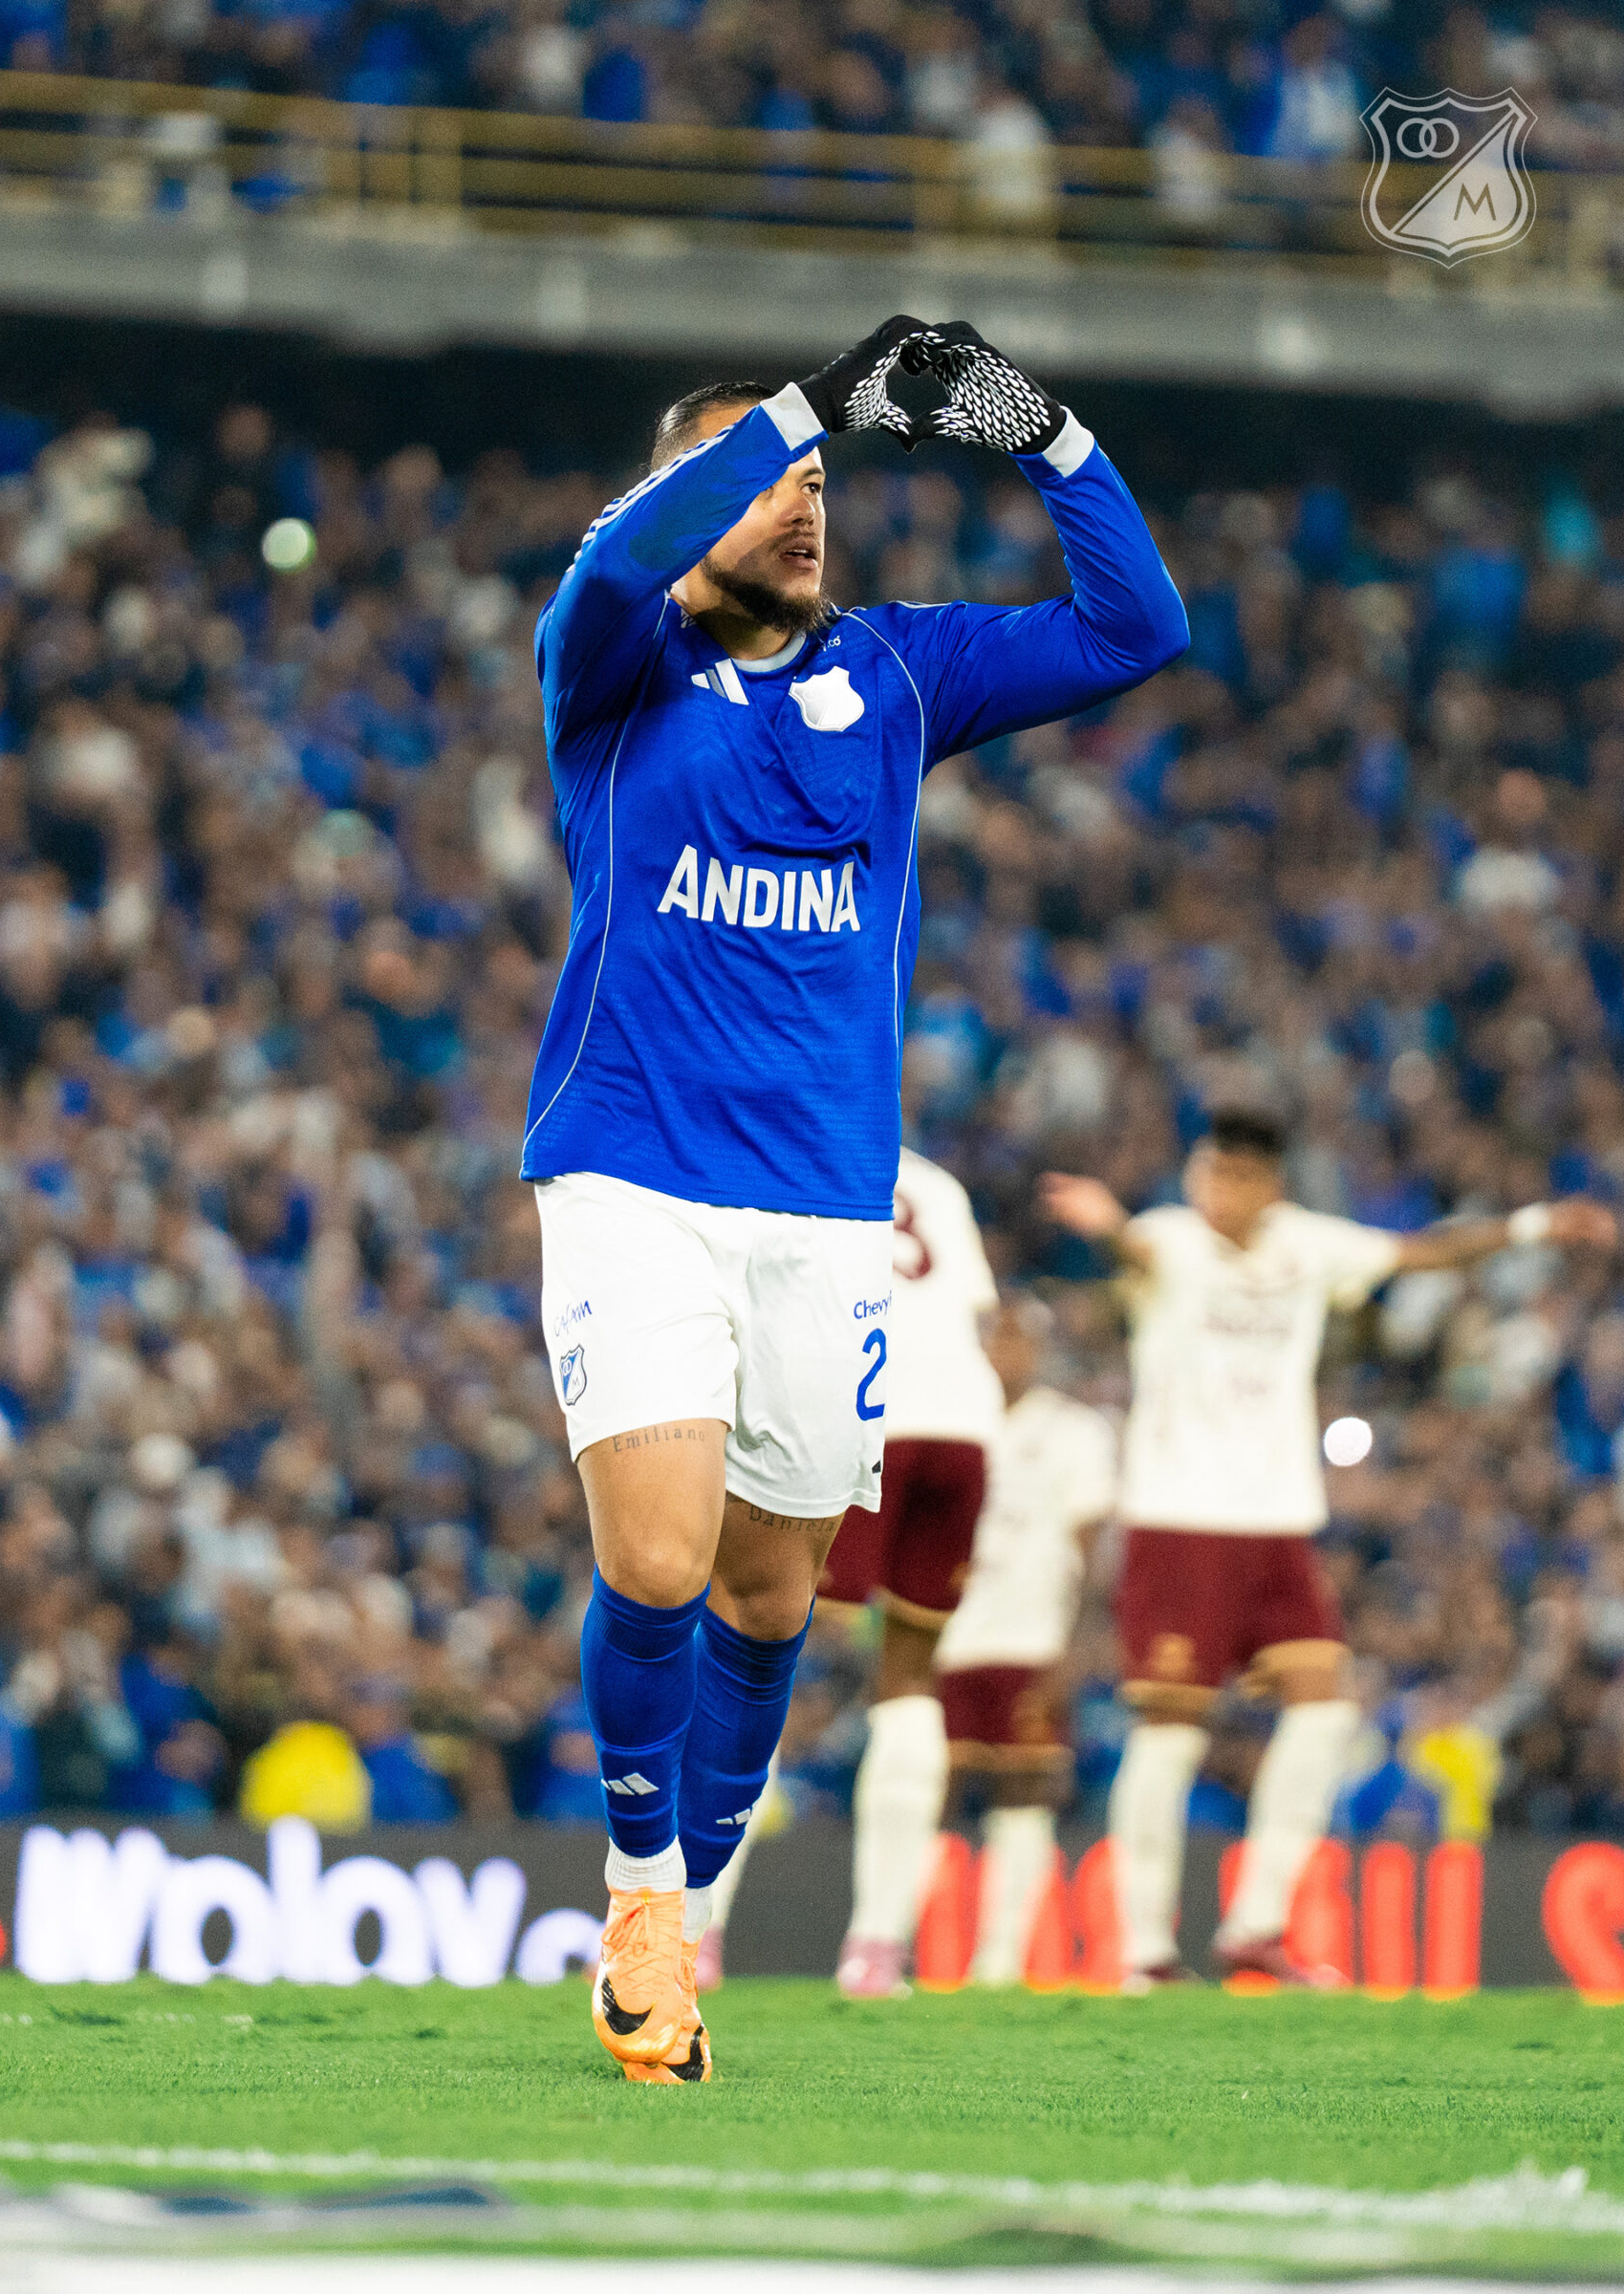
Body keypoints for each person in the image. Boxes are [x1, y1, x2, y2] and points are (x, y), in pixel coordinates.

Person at [526, 314, 1188, 2079]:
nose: (808, 501)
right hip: (633, 1177)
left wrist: (1045, 433)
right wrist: (811, 400)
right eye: (772, 481)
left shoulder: (899, 672)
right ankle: (642, 1903)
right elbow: (613, 561)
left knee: (770, 1599)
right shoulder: (612, 663)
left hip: (827, 1211)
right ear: (691, 502)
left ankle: (689, 1887)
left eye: (824, 478)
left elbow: (1138, 628)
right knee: (657, 1560)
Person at [1042, 1107, 1617, 1988]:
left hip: (1277, 1523)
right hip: (1177, 1518)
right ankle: (1145, 1949)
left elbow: (1421, 1252)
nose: (1216, 1191)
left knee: (1324, 1711)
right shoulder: (1172, 1239)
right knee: (1170, 1733)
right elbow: (1137, 1252)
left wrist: (1535, 1224)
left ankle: (1257, 1926)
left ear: (1269, 1185)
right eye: (1207, 1172)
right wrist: (1109, 1223)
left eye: (1235, 1176)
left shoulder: (1308, 1246)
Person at [699, 1143, 1005, 1998]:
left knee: (751, 1653)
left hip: (860, 1412)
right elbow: (979, 1314)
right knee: (909, 1679)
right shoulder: (937, 1181)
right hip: (965, 1430)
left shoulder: (782, 1149)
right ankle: (876, 1949)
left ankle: (693, 1930)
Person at [934, 1295, 1116, 1985]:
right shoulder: (947, 1424)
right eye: (995, 1337)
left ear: (1040, 1348)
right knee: (929, 1792)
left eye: (1018, 1339)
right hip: (946, 1638)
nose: (1005, 1351)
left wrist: (1076, 1645)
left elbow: (1095, 1549)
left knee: (1024, 1794)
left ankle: (1002, 1958)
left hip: (1031, 1638)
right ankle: (894, 1944)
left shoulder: (1074, 1430)